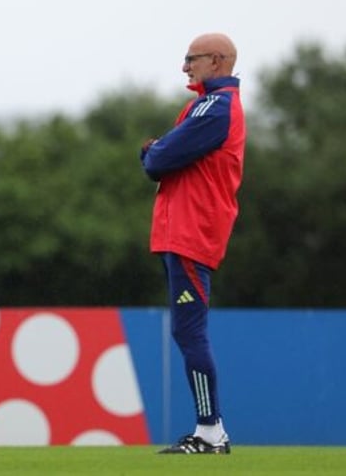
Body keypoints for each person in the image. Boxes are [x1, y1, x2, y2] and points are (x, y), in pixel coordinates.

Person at [140, 33, 245, 454]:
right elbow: (165, 154)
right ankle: (208, 430)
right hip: (181, 234)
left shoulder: (215, 107)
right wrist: (158, 150)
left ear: (216, 61)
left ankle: (210, 432)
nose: (185, 67)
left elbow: (159, 160)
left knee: (191, 333)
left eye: (191, 59)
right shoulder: (205, 105)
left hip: (191, 234)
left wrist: (152, 151)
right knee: (188, 333)